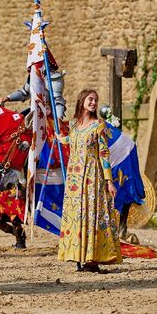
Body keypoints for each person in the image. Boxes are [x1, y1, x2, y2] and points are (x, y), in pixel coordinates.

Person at [56, 89, 121, 273]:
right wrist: (63, 139)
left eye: (95, 100)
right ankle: (79, 255)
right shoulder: (74, 126)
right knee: (77, 215)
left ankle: (92, 259)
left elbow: (104, 153)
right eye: (90, 99)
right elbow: (74, 139)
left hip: (93, 177)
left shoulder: (98, 125)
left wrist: (109, 181)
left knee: (91, 215)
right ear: (82, 100)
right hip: (75, 180)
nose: (93, 103)